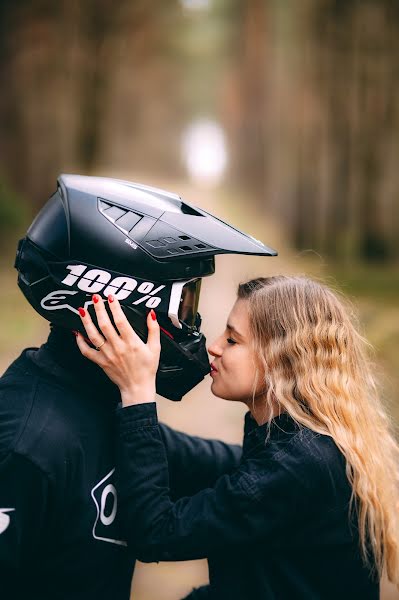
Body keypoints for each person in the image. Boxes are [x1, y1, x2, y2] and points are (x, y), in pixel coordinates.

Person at [0, 174, 277, 598]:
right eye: (184, 305)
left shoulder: (102, 408)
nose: (193, 327)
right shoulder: (26, 445)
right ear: (125, 303)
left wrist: (324, 459)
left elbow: (227, 467)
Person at [76, 276, 399, 600]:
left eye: (232, 339)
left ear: (279, 359)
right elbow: (203, 458)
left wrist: (138, 393)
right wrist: (114, 411)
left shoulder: (296, 465)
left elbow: (157, 533)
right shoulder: (302, 444)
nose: (214, 346)